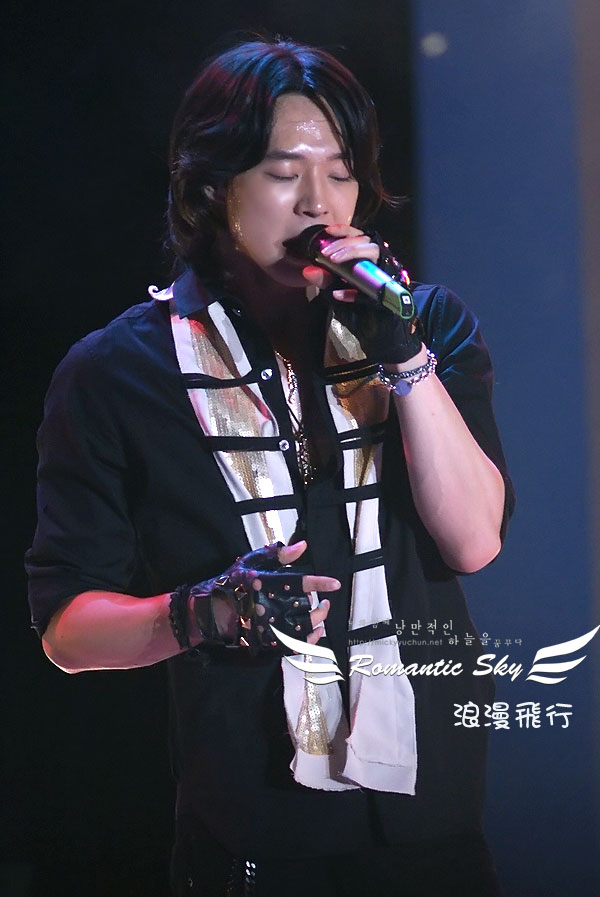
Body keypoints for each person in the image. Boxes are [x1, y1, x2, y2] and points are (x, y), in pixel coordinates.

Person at [26, 38, 515, 897]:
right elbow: (68, 629)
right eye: (286, 173)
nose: (320, 202)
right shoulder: (117, 372)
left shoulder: (427, 325)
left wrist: (404, 357)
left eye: (342, 173)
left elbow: (474, 540)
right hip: (251, 833)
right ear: (212, 187)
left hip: (434, 825)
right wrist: (204, 612)